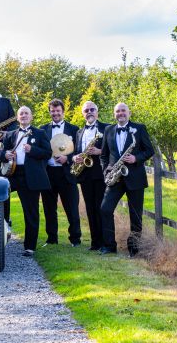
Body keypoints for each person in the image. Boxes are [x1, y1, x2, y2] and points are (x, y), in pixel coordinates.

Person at [100, 102, 154, 256]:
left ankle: (134, 250)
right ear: (114, 114)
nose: (120, 113)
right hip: (115, 178)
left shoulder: (139, 128)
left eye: (123, 111)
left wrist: (136, 158)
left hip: (135, 178)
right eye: (117, 111)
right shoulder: (108, 130)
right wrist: (106, 170)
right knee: (105, 209)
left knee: (135, 215)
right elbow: (104, 155)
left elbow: (149, 150)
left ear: (129, 113)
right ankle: (109, 246)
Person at [0, 106, 51, 257]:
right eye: (21, 114)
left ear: (31, 116)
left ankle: (29, 247)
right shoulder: (10, 134)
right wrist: (4, 155)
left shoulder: (40, 133)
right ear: (17, 117)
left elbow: (48, 153)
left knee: (31, 212)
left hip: (30, 177)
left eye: (27, 113)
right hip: (12, 175)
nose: (24, 115)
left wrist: (32, 150)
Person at [40, 98, 81, 247]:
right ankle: (52, 239)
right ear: (50, 112)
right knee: (49, 208)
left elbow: (78, 151)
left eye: (58, 111)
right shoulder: (42, 129)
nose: (55, 113)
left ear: (63, 112)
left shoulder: (74, 129)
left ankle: (75, 239)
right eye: (53, 111)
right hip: (48, 173)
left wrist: (68, 158)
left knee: (72, 208)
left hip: (67, 174)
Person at [71, 101, 108, 251]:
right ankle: (95, 243)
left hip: (100, 173)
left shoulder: (107, 128)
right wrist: (75, 158)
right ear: (83, 113)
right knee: (90, 208)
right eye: (86, 110)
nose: (89, 112)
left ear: (97, 112)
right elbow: (75, 151)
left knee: (101, 208)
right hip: (85, 175)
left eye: (92, 109)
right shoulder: (79, 132)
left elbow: (114, 148)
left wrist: (100, 152)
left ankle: (105, 242)